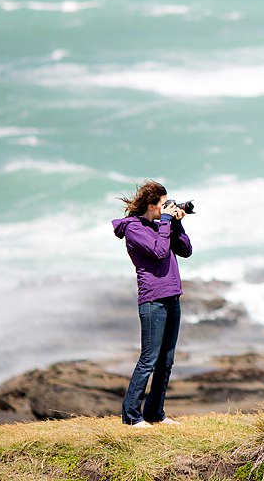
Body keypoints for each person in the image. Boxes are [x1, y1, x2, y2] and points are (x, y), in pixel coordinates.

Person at [112, 180, 192, 427]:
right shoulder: (134, 229)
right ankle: (132, 417)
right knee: (149, 359)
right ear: (151, 205)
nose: (166, 208)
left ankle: (155, 413)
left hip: (172, 297)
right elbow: (158, 252)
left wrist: (176, 223)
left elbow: (186, 250)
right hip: (152, 301)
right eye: (163, 204)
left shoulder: (163, 226)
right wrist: (167, 223)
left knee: (166, 360)